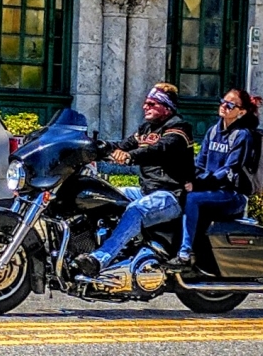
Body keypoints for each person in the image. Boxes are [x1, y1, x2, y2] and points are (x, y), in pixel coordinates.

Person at [71, 84, 193, 277]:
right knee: (101, 193)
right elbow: (121, 145)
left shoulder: (178, 128)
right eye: (145, 103)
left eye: (152, 103)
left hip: (171, 195)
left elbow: (159, 150)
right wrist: (91, 147)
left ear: (166, 107)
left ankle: (99, 260)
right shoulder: (145, 129)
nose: (146, 107)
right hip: (145, 190)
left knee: (136, 210)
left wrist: (130, 157)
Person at [175, 89, 263, 268]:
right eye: (223, 101)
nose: (224, 106)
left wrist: (199, 184)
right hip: (211, 189)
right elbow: (200, 163)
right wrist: (186, 177)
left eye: (230, 105)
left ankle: (184, 252)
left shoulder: (242, 135)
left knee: (192, 199)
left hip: (231, 195)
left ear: (242, 112)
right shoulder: (214, 131)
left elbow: (229, 171)